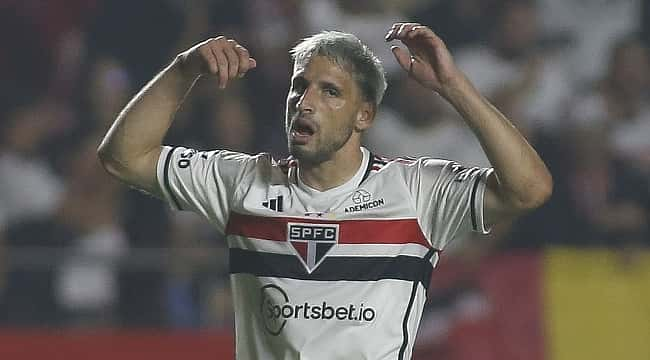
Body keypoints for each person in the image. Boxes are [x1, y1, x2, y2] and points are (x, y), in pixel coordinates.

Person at [98, 22, 552, 360]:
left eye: (331, 91)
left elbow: (529, 189)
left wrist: (455, 88)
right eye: (300, 86)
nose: (306, 101)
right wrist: (184, 69)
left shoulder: (415, 191)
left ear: (365, 116)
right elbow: (123, 156)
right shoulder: (243, 183)